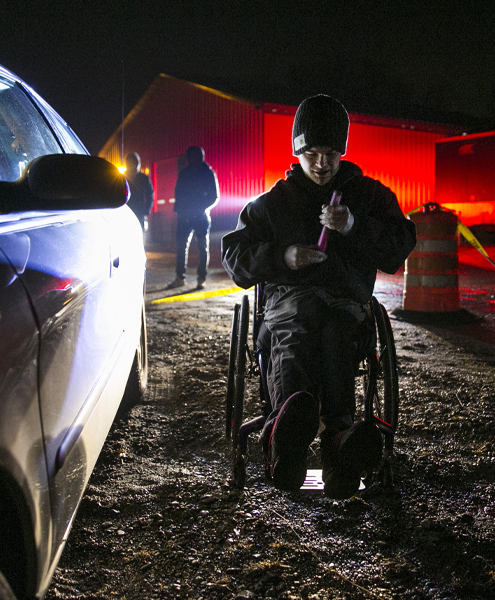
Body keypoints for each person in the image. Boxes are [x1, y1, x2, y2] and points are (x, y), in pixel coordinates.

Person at [221, 95, 416, 498]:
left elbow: (399, 244)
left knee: (336, 334)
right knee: (296, 330)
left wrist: (355, 226)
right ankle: (290, 430)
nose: (322, 163)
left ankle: (338, 440)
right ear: (297, 150)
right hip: (288, 305)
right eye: (312, 152)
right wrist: (283, 257)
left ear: (342, 151)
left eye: (330, 153)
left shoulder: (366, 196)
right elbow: (234, 253)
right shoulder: (275, 202)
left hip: (345, 304)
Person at [167, 146, 220, 290]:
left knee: (200, 248)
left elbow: (214, 196)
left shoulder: (207, 173)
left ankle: (199, 278)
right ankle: (182, 277)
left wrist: (200, 208)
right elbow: (178, 192)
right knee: (183, 247)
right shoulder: (185, 172)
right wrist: (179, 210)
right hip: (187, 215)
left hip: (199, 216)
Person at [124, 152, 154, 232]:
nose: (131, 164)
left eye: (133, 162)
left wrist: (146, 209)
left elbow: (150, 194)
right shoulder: (122, 178)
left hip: (139, 212)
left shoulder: (143, 178)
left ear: (137, 163)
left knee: (138, 233)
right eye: (129, 162)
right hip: (125, 212)